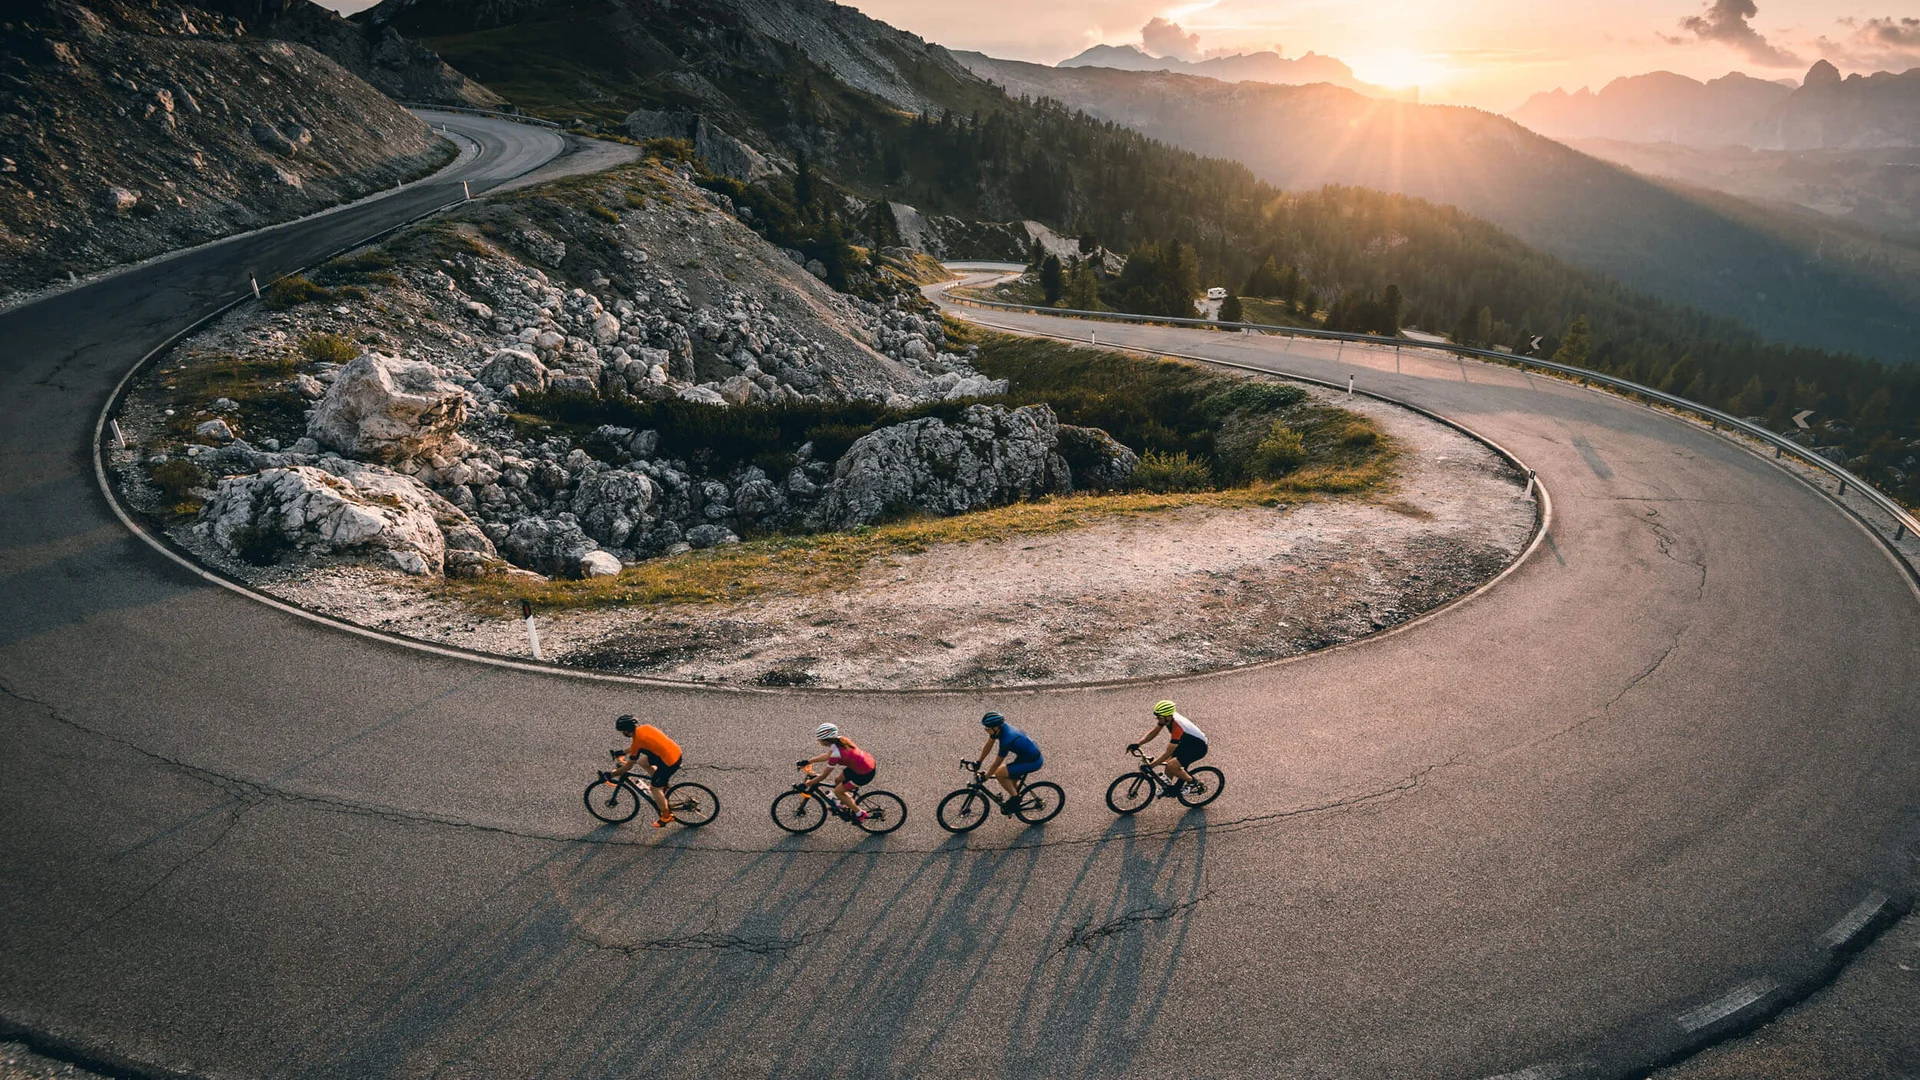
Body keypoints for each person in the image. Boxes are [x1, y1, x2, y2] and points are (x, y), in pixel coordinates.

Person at [610, 714, 683, 827]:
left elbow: (628, 767)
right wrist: (622, 752)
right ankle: (662, 784)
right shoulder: (645, 728)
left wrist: (611, 774)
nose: (622, 733)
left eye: (622, 731)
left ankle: (666, 816)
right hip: (674, 752)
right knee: (642, 762)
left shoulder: (638, 741)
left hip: (669, 762)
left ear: (627, 731)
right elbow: (637, 746)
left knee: (655, 788)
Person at [799, 722, 877, 819]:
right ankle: (843, 803)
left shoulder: (836, 754)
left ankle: (860, 813)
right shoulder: (840, 740)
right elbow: (827, 756)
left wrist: (806, 784)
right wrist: (808, 761)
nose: (818, 741)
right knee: (837, 780)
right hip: (863, 764)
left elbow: (823, 776)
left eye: (819, 739)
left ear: (825, 740)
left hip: (864, 774)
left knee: (838, 791)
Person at [1129, 700, 1208, 794]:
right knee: (1168, 764)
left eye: (1159, 717)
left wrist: (1151, 766)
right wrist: (1138, 744)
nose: (1157, 719)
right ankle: (1167, 786)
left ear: (1168, 717)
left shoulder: (1177, 728)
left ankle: (1193, 783)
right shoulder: (1167, 718)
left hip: (1198, 748)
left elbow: (1167, 753)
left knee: (1172, 765)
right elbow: (1154, 732)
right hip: (1186, 743)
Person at [975, 712, 1043, 815]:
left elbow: (997, 762)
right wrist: (979, 761)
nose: (986, 730)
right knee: (1011, 782)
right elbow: (989, 745)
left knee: (999, 773)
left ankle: (1015, 799)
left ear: (996, 727)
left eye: (987, 728)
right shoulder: (999, 729)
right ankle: (1016, 796)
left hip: (1033, 762)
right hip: (1025, 756)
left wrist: (987, 776)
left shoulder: (1007, 740)